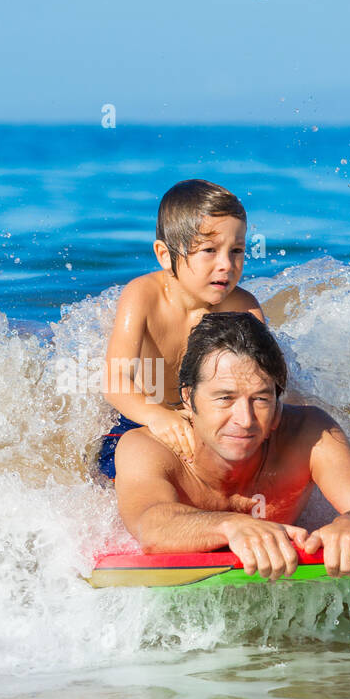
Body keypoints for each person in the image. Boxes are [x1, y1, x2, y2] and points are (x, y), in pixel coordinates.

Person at [113, 312, 350, 579]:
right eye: (225, 398)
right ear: (188, 398)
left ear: (278, 404)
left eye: (261, 399)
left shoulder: (309, 433)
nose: (245, 419)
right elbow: (150, 527)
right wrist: (232, 525)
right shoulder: (148, 448)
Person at [97, 179, 265, 478]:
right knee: (125, 467)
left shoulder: (243, 308)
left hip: (215, 425)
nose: (227, 264)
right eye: (210, 250)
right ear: (165, 255)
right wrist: (157, 416)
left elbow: (264, 382)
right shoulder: (143, 297)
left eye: (237, 250)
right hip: (144, 422)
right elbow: (115, 380)